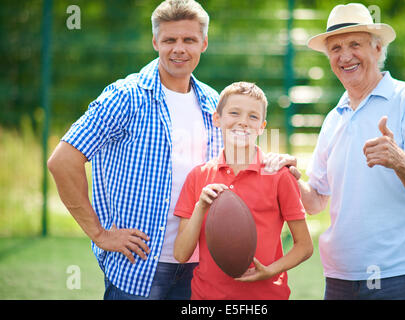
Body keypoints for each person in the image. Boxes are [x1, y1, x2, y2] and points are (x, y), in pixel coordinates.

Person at [47, 0, 223, 300]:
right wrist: (100, 234)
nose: (179, 48)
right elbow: (62, 161)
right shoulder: (125, 96)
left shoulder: (213, 102)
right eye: (170, 40)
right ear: (155, 41)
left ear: (203, 43)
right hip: (139, 268)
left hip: (199, 266)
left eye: (189, 40)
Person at [267, 3, 405, 299]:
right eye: (335, 48)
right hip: (341, 276)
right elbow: (316, 201)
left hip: (400, 274)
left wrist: (397, 159)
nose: (345, 56)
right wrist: (291, 177)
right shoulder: (334, 118)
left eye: (354, 44)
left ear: (377, 48)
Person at [173, 82, 314, 300]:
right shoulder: (198, 176)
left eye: (253, 117)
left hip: (266, 297)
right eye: (234, 113)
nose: (243, 122)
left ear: (262, 127)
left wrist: (271, 270)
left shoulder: (278, 175)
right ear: (217, 119)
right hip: (206, 297)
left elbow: (304, 246)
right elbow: (181, 254)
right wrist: (200, 207)